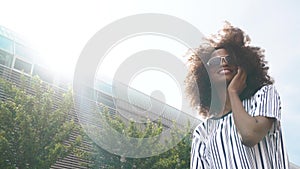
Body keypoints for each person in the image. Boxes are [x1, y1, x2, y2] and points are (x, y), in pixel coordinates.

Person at [185, 23, 289, 169]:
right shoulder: (202, 132)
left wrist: (233, 93)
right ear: (206, 74)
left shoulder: (264, 95)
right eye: (215, 61)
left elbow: (249, 135)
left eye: (229, 59)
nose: (223, 63)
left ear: (241, 65)